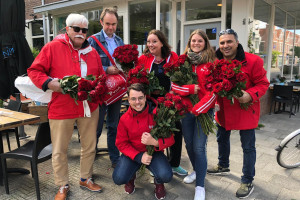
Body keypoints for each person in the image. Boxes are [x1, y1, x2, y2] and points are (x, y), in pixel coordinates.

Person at [27, 14, 104, 200]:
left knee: (90, 146)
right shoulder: (53, 47)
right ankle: (62, 185)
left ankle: (86, 178)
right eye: (76, 29)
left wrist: (98, 89)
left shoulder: (92, 52)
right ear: (67, 29)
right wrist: (48, 83)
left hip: (88, 107)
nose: (80, 33)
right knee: (60, 149)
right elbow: (34, 71)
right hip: (62, 108)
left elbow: (100, 76)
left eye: (84, 30)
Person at [207, 29, 270, 199]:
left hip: (245, 110)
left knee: (248, 147)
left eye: (229, 42)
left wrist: (249, 95)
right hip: (223, 111)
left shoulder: (253, 60)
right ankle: (223, 165)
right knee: (221, 138)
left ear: (237, 42)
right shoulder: (214, 61)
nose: (225, 46)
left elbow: (263, 84)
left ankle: (247, 180)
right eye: (222, 42)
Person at [171, 29, 216, 200]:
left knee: (199, 147)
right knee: (189, 145)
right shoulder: (184, 63)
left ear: (205, 43)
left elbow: (214, 92)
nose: (196, 44)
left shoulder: (211, 64)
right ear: (189, 43)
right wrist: (189, 89)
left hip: (203, 110)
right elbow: (174, 86)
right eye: (193, 41)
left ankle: (200, 187)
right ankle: (197, 171)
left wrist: (199, 108)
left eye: (200, 41)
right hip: (185, 111)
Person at [138, 29, 188, 176]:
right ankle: (154, 164)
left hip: (170, 102)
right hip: (151, 102)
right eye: (148, 41)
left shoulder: (172, 56)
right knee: (153, 132)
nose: (151, 44)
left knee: (176, 131)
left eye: (154, 41)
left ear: (161, 43)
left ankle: (174, 164)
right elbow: (139, 80)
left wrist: (174, 93)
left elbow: (179, 78)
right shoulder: (143, 59)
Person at [113, 83, 174, 200]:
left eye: (140, 98)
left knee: (166, 175)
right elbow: (121, 143)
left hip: (153, 153)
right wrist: (139, 156)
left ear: (145, 97)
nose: (137, 102)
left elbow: (171, 138)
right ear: (128, 100)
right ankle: (130, 177)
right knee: (118, 178)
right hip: (133, 154)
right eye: (133, 99)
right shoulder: (124, 119)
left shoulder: (158, 114)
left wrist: (155, 142)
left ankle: (159, 182)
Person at [88, 7, 124, 168]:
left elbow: (123, 63)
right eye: (108, 24)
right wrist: (105, 69)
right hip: (100, 91)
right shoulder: (92, 41)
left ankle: (115, 158)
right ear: (101, 22)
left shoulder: (119, 41)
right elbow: (87, 67)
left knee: (113, 125)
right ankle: (90, 156)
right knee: (95, 127)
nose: (111, 27)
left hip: (116, 90)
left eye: (114, 24)